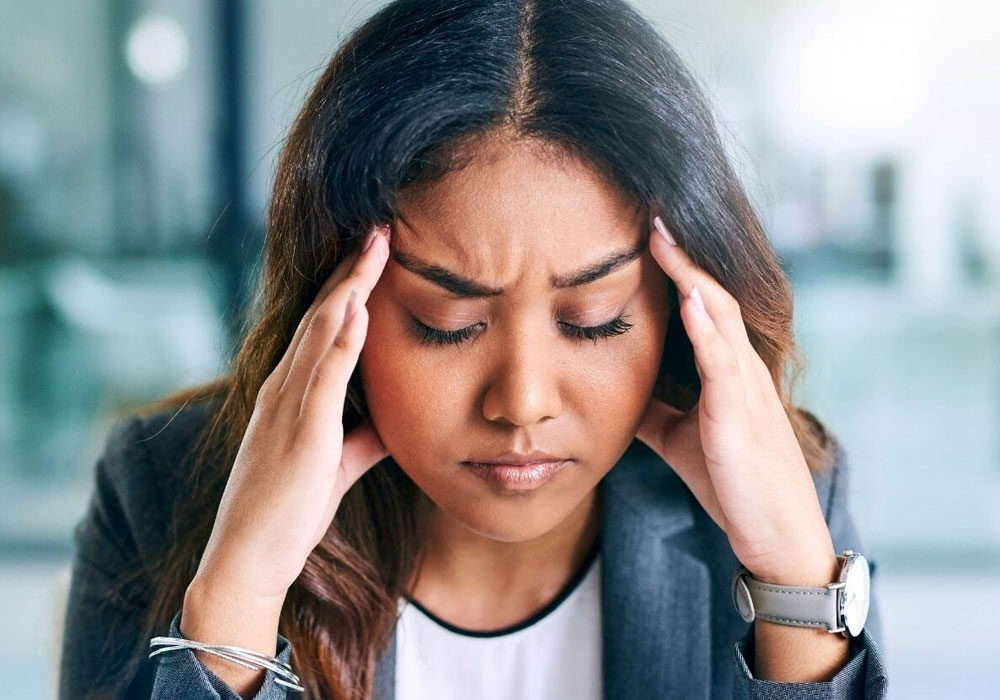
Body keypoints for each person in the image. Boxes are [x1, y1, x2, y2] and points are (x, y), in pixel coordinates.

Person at [58, 0, 888, 698]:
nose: (523, 402)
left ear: (678, 310)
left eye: (595, 318)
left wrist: (795, 588)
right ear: (331, 302)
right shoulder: (161, 487)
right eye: (445, 321)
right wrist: (238, 594)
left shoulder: (783, 498)